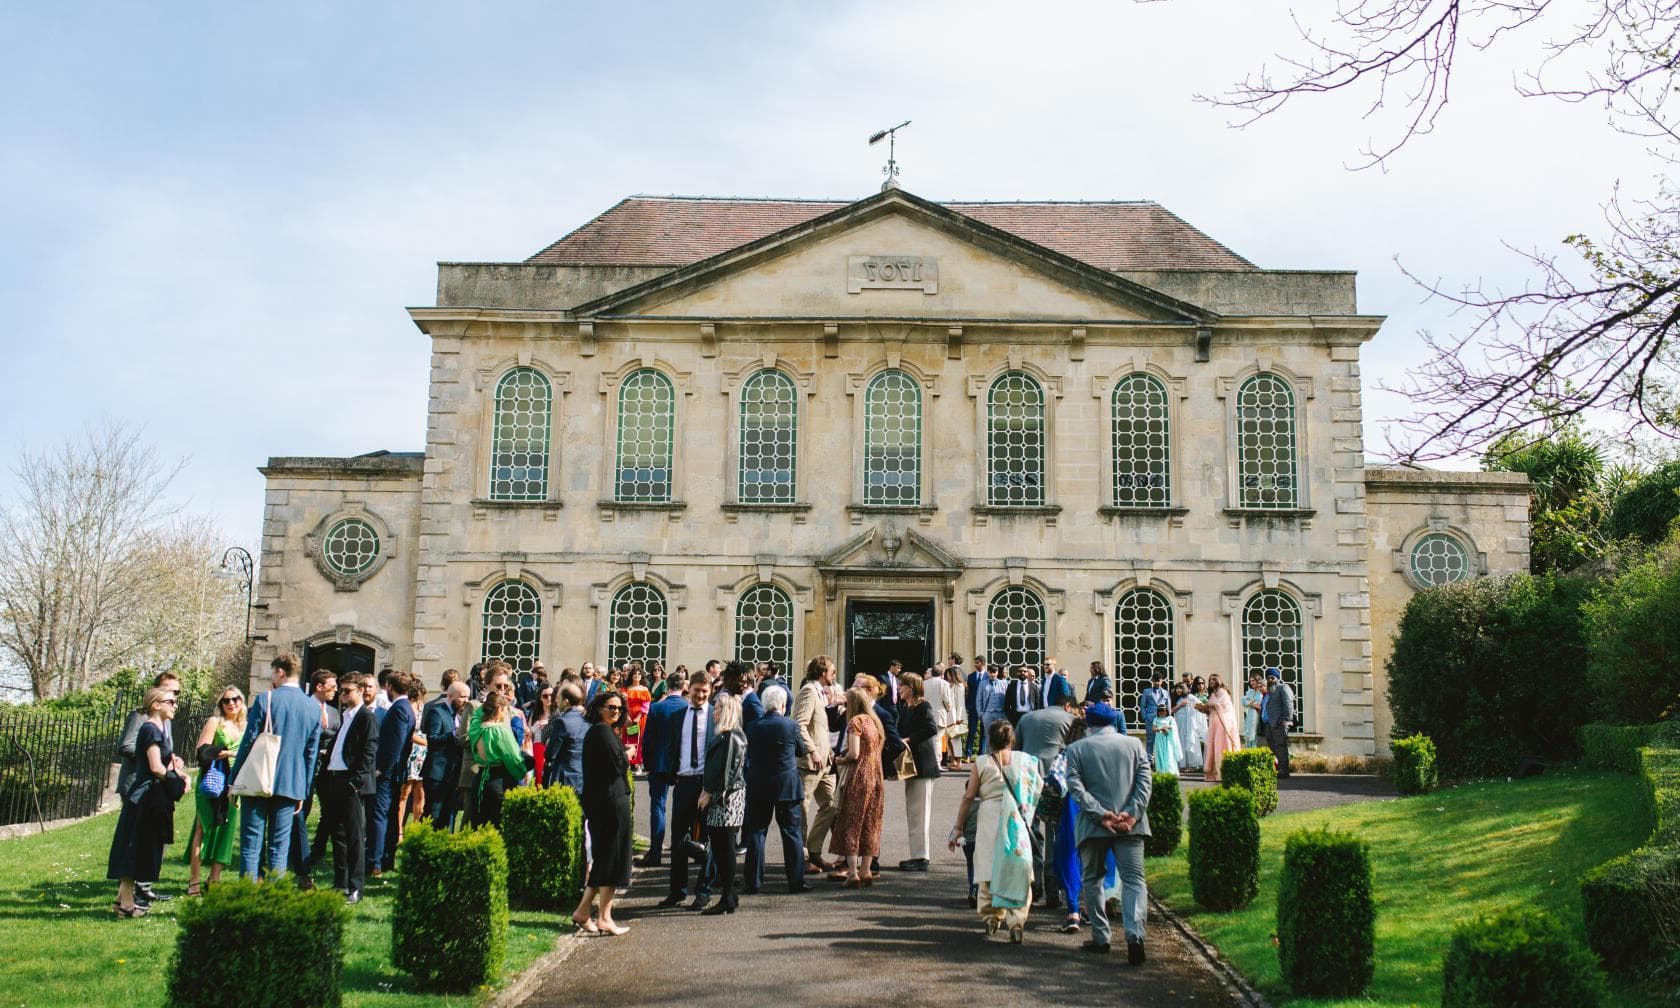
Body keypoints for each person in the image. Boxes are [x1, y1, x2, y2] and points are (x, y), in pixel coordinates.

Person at [1063, 702, 1152, 963]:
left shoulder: (1076, 749)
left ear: (1089, 723)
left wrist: (1100, 814)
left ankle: (1101, 937)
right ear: (1114, 721)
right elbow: (1145, 781)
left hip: (1094, 826)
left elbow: (1075, 788)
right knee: (1134, 880)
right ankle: (1135, 935)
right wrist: (1132, 813)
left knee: (1092, 879)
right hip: (1130, 825)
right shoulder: (1134, 745)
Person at [231, 651, 324, 879]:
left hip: (258, 777)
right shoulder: (313, 708)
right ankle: (275, 898)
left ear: (280, 672)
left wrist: (234, 780)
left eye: (273, 673)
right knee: (279, 846)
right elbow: (311, 755)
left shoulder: (266, 699)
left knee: (251, 843)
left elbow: (248, 743)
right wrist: (304, 789)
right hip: (291, 782)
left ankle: (248, 894)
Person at [949, 719, 1042, 943]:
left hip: (990, 815)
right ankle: (1017, 920)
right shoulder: (1025, 760)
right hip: (1016, 818)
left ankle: (991, 918)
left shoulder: (981, 762)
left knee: (988, 870)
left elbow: (969, 796)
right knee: (1017, 868)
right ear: (1012, 739)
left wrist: (958, 826)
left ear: (990, 739)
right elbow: (1037, 786)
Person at [109, 687, 186, 916]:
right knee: (136, 848)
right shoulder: (151, 729)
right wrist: (176, 779)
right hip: (145, 796)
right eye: (170, 701)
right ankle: (127, 904)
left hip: (146, 795)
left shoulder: (156, 729)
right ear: (156, 705)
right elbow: (154, 766)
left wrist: (175, 769)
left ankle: (123, 901)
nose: (174, 705)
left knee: (134, 846)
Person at [572, 690, 632, 936]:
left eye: (619, 708)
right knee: (611, 859)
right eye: (611, 707)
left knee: (607, 859)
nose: (615, 712)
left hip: (606, 801)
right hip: (609, 802)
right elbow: (617, 764)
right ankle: (600, 916)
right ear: (599, 708)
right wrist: (627, 754)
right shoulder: (602, 731)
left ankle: (591, 913)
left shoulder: (602, 731)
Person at [1015, 678, 1078, 908]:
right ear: (1067, 705)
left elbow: (1016, 750)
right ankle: (1053, 889)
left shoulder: (1027, 718)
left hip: (1028, 778)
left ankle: (1034, 885)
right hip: (1057, 783)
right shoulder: (1071, 720)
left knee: (1031, 834)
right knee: (1055, 834)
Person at [656, 672, 715, 909]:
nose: (700, 695)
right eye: (696, 691)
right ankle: (677, 891)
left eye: (705, 691)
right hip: (683, 783)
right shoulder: (678, 715)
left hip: (706, 785)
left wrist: (712, 787)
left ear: (710, 691)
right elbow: (671, 746)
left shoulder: (715, 716)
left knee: (707, 839)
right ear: (688, 690)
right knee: (679, 840)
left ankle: (704, 890)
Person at [321, 671, 380, 903]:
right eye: (341, 690)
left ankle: (355, 886)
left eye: (347, 691)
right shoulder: (345, 716)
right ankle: (340, 882)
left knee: (355, 836)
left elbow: (369, 749)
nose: (342, 695)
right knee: (338, 835)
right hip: (334, 779)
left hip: (351, 782)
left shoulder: (366, 717)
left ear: (360, 691)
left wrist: (356, 780)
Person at [743, 686, 809, 894]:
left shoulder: (753, 726)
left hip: (759, 784)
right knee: (791, 833)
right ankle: (796, 881)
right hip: (786, 785)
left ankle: (753, 882)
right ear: (783, 705)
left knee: (756, 833)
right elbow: (801, 749)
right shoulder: (791, 725)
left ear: (764, 705)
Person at [186, 686, 246, 897]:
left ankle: (214, 879)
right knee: (203, 828)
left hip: (234, 784)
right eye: (226, 701)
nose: (231, 703)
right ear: (221, 704)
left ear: (242, 700)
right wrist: (229, 752)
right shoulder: (215, 722)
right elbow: (201, 752)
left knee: (226, 830)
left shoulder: (245, 726)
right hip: (212, 781)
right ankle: (194, 881)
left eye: (236, 699)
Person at [828, 687, 885, 887]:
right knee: (871, 821)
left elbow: (854, 753)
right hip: (876, 775)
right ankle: (866, 869)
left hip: (859, 775)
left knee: (851, 820)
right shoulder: (875, 721)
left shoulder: (856, 722)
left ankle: (853, 873)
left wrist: (839, 760)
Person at [698, 692, 748, 915]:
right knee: (720, 847)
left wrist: (710, 793)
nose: (713, 712)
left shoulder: (731, 737)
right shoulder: (727, 736)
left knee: (725, 848)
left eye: (717, 708)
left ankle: (727, 896)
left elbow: (727, 773)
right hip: (723, 797)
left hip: (726, 799)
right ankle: (729, 896)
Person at [792, 655, 841, 874]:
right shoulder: (809, 691)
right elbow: (799, 724)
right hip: (810, 763)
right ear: (822, 672)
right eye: (832, 670)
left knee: (831, 805)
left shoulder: (821, 693)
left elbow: (820, 728)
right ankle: (801, 858)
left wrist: (828, 751)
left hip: (825, 761)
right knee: (802, 809)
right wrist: (812, 750)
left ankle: (813, 850)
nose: (834, 673)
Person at [638, 671, 692, 866]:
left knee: (658, 807)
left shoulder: (657, 707)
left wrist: (648, 762)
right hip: (684, 764)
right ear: (683, 687)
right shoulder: (688, 707)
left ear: (667, 687)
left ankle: (656, 853)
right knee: (685, 810)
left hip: (660, 763)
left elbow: (648, 739)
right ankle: (684, 851)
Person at [367, 670, 416, 878]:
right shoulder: (407, 708)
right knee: (390, 814)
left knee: (380, 815)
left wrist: (381, 769)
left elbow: (394, 744)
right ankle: (386, 858)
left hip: (388, 771)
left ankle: (375, 861)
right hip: (397, 770)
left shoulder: (399, 709)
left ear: (389, 687)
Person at [897, 673, 942, 871]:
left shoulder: (924, 706)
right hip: (912, 766)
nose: (899, 689)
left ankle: (921, 857)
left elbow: (932, 728)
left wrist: (908, 740)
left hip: (923, 766)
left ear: (912, 688)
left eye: (902, 686)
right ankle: (916, 854)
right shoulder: (906, 708)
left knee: (920, 812)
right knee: (914, 812)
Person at [469, 692, 528, 827]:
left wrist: (488, 701)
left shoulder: (475, 729)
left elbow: (476, 717)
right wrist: (522, 772)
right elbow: (513, 758)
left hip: (479, 781)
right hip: (499, 782)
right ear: (500, 709)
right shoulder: (501, 731)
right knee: (499, 825)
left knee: (479, 825)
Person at [422, 682, 471, 827]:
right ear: (450, 696)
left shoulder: (458, 715)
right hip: (437, 773)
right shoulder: (437, 712)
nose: (466, 701)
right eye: (462, 697)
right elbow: (432, 739)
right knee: (434, 814)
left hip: (453, 773)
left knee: (450, 814)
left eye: (468, 697)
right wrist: (453, 734)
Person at [396, 679, 430, 847]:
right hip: (411, 751)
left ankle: (416, 829)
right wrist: (424, 743)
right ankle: (399, 830)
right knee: (404, 793)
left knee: (420, 794)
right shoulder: (405, 708)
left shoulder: (424, 708)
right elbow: (407, 732)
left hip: (422, 754)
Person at [542, 682, 588, 792]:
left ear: (566, 701)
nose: (556, 701)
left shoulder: (562, 721)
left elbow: (550, 754)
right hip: (583, 775)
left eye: (558, 698)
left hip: (564, 778)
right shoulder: (588, 719)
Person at [1196, 674, 1243, 782]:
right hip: (1215, 723)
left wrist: (1206, 705)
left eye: (1213, 679)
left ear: (1218, 680)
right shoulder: (1213, 693)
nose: (1211, 681)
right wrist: (1202, 709)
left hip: (1224, 723)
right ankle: (1214, 773)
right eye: (1210, 679)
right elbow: (1212, 709)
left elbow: (1219, 705)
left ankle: (1223, 772)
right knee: (1214, 745)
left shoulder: (1223, 692)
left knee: (1221, 745)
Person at [1262, 668, 1296, 778]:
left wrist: (1286, 721)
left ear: (1277, 678)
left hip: (1280, 723)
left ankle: (1284, 771)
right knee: (1273, 748)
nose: (1270, 679)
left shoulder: (1283, 688)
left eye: (1272, 677)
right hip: (1268, 724)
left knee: (1281, 746)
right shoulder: (1269, 692)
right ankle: (1277, 768)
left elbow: (1289, 705)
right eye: (1268, 678)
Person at [622, 666, 653, 769]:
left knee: (639, 739)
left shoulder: (644, 689)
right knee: (627, 738)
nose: (637, 675)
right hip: (628, 717)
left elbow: (646, 705)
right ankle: (628, 762)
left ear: (641, 676)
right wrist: (627, 716)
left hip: (640, 717)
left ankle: (638, 764)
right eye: (635, 674)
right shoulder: (626, 688)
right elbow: (623, 703)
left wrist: (638, 717)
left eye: (639, 674)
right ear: (631, 676)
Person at [527, 684, 556, 783]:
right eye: (545, 696)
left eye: (551, 695)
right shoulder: (535, 714)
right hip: (535, 751)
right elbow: (528, 735)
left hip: (549, 752)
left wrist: (549, 723)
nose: (549, 698)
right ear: (540, 698)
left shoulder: (557, 714)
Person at [1140, 675, 1171, 764]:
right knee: (1150, 740)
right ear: (1152, 681)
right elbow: (1142, 706)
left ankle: (1162, 761)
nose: (1157, 683)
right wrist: (1145, 717)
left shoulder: (1165, 692)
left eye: (1159, 681)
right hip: (1150, 719)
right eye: (1155, 681)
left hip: (1162, 719)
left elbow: (1168, 707)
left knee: (1162, 739)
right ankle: (1149, 761)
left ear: (1162, 681)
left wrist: (1168, 719)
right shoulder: (1147, 691)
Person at [1171, 683, 1201, 772]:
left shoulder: (1191, 697)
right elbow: (1171, 711)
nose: (1178, 690)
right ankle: (1182, 765)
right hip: (1179, 723)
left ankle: (1191, 765)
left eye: (1181, 688)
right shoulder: (1176, 699)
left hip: (1190, 724)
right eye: (1177, 688)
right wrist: (1180, 705)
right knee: (1180, 742)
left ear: (1186, 689)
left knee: (1190, 741)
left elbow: (1200, 705)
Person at [1150, 704, 1179, 775]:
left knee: (1168, 753)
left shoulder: (1170, 718)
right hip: (1159, 738)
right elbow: (1153, 729)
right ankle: (1161, 770)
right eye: (1160, 711)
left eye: (1164, 711)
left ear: (1166, 711)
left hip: (1168, 738)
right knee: (1160, 753)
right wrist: (1160, 729)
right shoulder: (1156, 719)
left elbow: (1174, 727)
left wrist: (1167, 727)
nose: (1162, 713)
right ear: (1158, 712)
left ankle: (1170, 771)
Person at [1241, 674, 1265, 748]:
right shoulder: (1250, 692)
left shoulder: (1262, 692)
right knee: (1248, 735)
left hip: (1258, 716)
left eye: (1253, 680)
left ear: (1258, 681)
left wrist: (1252, 704)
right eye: (1250, 681)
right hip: (1249, 715)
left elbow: (1262, 707)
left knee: (1255, 735)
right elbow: (1244, 702)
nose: (1251, 683)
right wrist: (1250, 704)